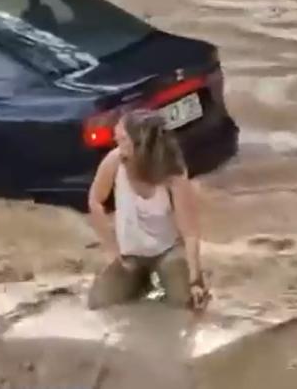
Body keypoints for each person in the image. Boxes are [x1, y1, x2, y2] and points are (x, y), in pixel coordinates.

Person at [86, 108, 210, 311]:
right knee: (99, 305)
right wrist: (112, 252)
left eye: (123, 138)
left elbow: (190, 232)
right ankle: (141, 282)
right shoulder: (114, 161)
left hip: (167, 251)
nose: (116, 139)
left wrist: (195, 279)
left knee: (187, 305)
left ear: (140, 145)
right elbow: (95, 201)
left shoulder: (173, 174)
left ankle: (163, 281)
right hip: (129, 255)